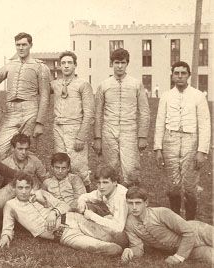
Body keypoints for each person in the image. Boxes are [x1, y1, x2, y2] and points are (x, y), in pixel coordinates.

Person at [0, 173, 122, 256]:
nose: (24, 191)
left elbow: (64, 205)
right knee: (112, 249)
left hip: (72, 219)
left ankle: (131, 245)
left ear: (31, 187)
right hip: (64, 235)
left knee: (114, 238)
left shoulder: (40, 193)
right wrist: (5, 238)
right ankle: (125, 251)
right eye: (20, 188)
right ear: (14, 188)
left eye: (27, 188)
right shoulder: (10, 205)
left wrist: (53, 213)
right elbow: (7, 227)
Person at [154, 61, 211, 220]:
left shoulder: (198, 96)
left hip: (190, 141)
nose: (179, 76)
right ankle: (176, 220)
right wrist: (158, 148)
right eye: (176, 73)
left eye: (183, 73)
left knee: (190, 186)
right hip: (170, 140)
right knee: (173, 185)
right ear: (172, 75)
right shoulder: (166, 96)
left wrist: (202, 151)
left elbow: (205, 124)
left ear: (188, 75)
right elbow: (159, 122)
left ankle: (191, 221)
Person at [93, 48, 150, 186]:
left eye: (122, 63)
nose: (119, 66)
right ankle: (112, 203)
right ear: (111, 63)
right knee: (110, 169)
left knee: (131, 169)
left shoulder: (136, 84)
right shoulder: (104, 84)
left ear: (127, 64)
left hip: (129, 129)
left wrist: (142, 136)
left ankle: (132, 200)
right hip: (109, 130)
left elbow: (144, 111)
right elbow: (98, 113)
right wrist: (98, 138)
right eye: (116, 62)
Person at [0, 32, 51, 160]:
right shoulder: (10, 65)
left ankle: (28, 180)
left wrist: (39, 122)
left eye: (24, 44)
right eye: (18, 45)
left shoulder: (40, 66)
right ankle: (8, 179)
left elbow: (45, 96)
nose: (21, 48)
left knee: (28, 152)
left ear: (31, 45)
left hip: (30, 110)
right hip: (11, 112)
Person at [121, 187, 213, 265]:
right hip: (184, 247)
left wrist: (178, 257)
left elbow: (189, 232)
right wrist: (131, 251)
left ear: (146, 203)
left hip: (199, 232)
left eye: (137, 203)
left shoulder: (161, 213)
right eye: (130, 203)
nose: (134, 207)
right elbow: (138, 247)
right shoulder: (129, 223)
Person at [50, 51, 94, 191]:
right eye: (63, 63)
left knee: (78, 167)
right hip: (58, 128)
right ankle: (65, 195)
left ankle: (87, 196)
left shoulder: (83, 84)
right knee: (61, 164)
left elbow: (89, 113)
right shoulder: (56, 84)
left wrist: (81, 136)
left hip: (75, 128)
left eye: (69, 63)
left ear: (75, 65)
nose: (66, 66)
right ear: (59, 66)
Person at [76, 165, 128, 234]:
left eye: (105, 182)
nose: (101, 186)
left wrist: (92, 216)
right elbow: (85, 196)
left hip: (131, 229)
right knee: (88, 206)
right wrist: (81, 203)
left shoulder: (121, 197)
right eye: (99, 183)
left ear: (115, 182)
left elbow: (119, 228)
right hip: (116, 219)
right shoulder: (104, 190)